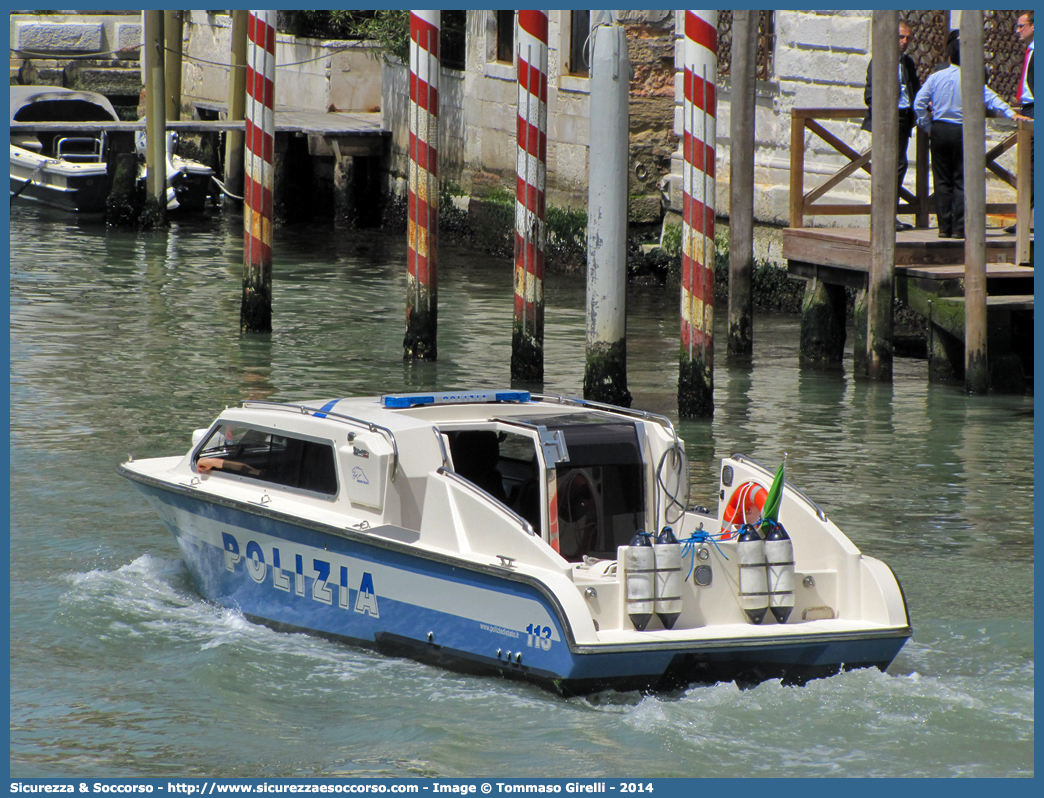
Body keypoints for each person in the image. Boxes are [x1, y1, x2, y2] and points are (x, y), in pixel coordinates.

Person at [914, 34, 1027, 238]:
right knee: (961, 179)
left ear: (949, 57)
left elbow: (918, 104)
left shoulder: (935, 77)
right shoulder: (972, 78)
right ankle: (959, 228)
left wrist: (927, 126)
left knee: (941, 181)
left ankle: (943, 227)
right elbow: (991, 97)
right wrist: (1011, 113)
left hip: (939, 130)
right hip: (962, 132)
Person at [862, 19, 921, 231]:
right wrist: (882, 115)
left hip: (904, 117)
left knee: (900, 165)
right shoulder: (880, 61)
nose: (904, 42)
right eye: (901, 37)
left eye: (908, 38)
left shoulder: (907, 63)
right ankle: (884, 215)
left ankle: (891, 214)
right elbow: (870, 94)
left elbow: (915, 88)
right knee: (890, 166)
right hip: (888, 118)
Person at [1006, 11, 1033, 232]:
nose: (1017, 31)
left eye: (1021, 26)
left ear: (1034, 26)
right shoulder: (1030, 51)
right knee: (1028, 165)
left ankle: (1025, 221)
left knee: (1031, 167)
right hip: (1026, 109)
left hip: (1034, 110)